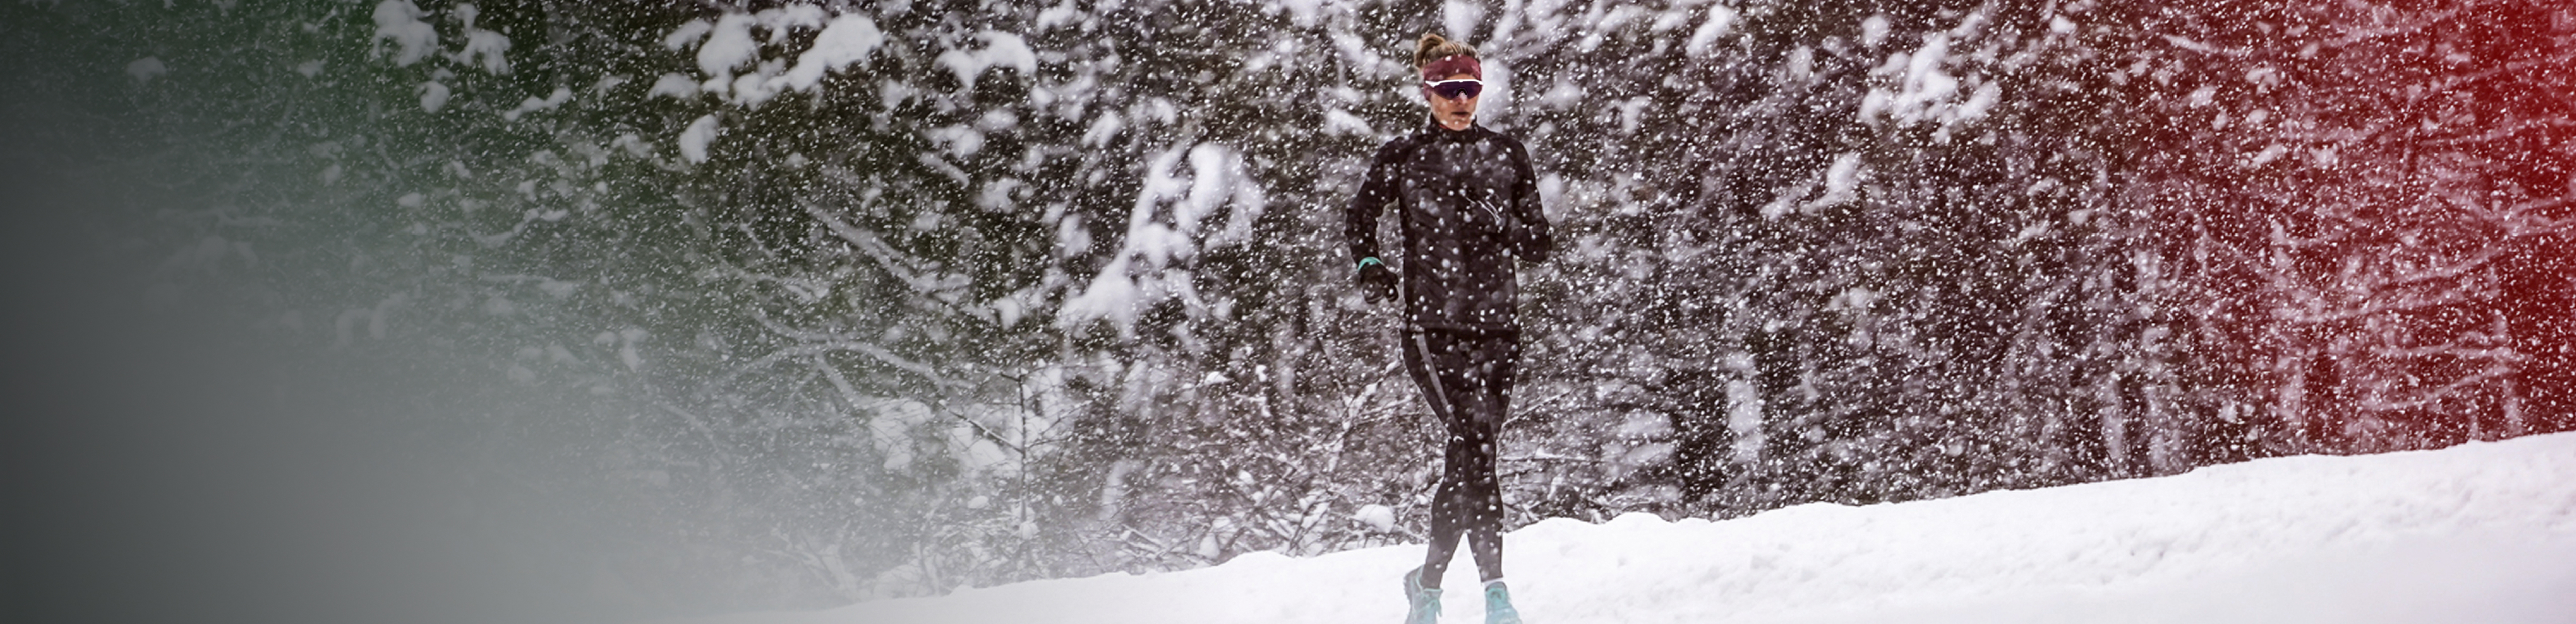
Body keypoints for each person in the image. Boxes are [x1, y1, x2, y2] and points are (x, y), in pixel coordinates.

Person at [1345, 33, 1552, 624]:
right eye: (1448, 90)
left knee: (1473, 456)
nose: (1461, 100)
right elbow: (1360, 216)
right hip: (1431, 330)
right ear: (1427, 92)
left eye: (1470, 89)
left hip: (1500, 330)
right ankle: (1495, 592)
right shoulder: (1404, 155)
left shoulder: (1507, 154)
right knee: (1475, 443)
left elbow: (1538, 245)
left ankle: (1427, 584)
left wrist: (1506, 224)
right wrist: (1371, 267)